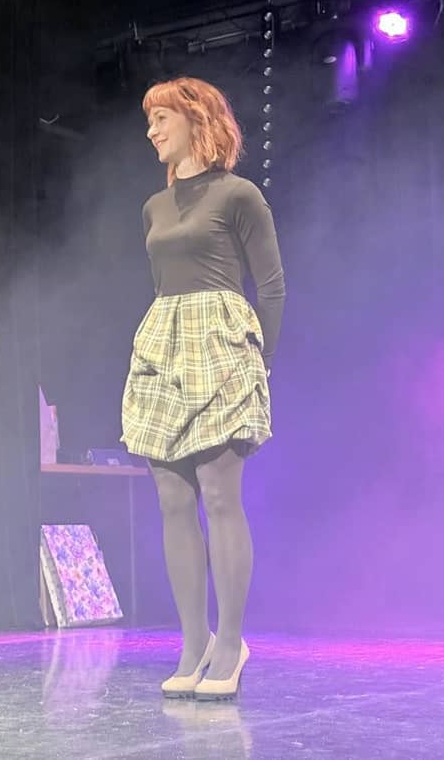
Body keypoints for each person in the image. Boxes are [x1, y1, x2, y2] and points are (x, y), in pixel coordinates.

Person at [120, 77, 285, 701]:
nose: (152, 131)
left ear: (197, 120)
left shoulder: (239, 194)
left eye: (162, 118)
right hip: (164, 342)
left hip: (221, 343)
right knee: (172, 501)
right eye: (150, 120)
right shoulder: (153, 207)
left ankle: (231, 643)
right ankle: (195, 642)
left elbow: (272, 285)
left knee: (218, 496)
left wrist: (261, 363)